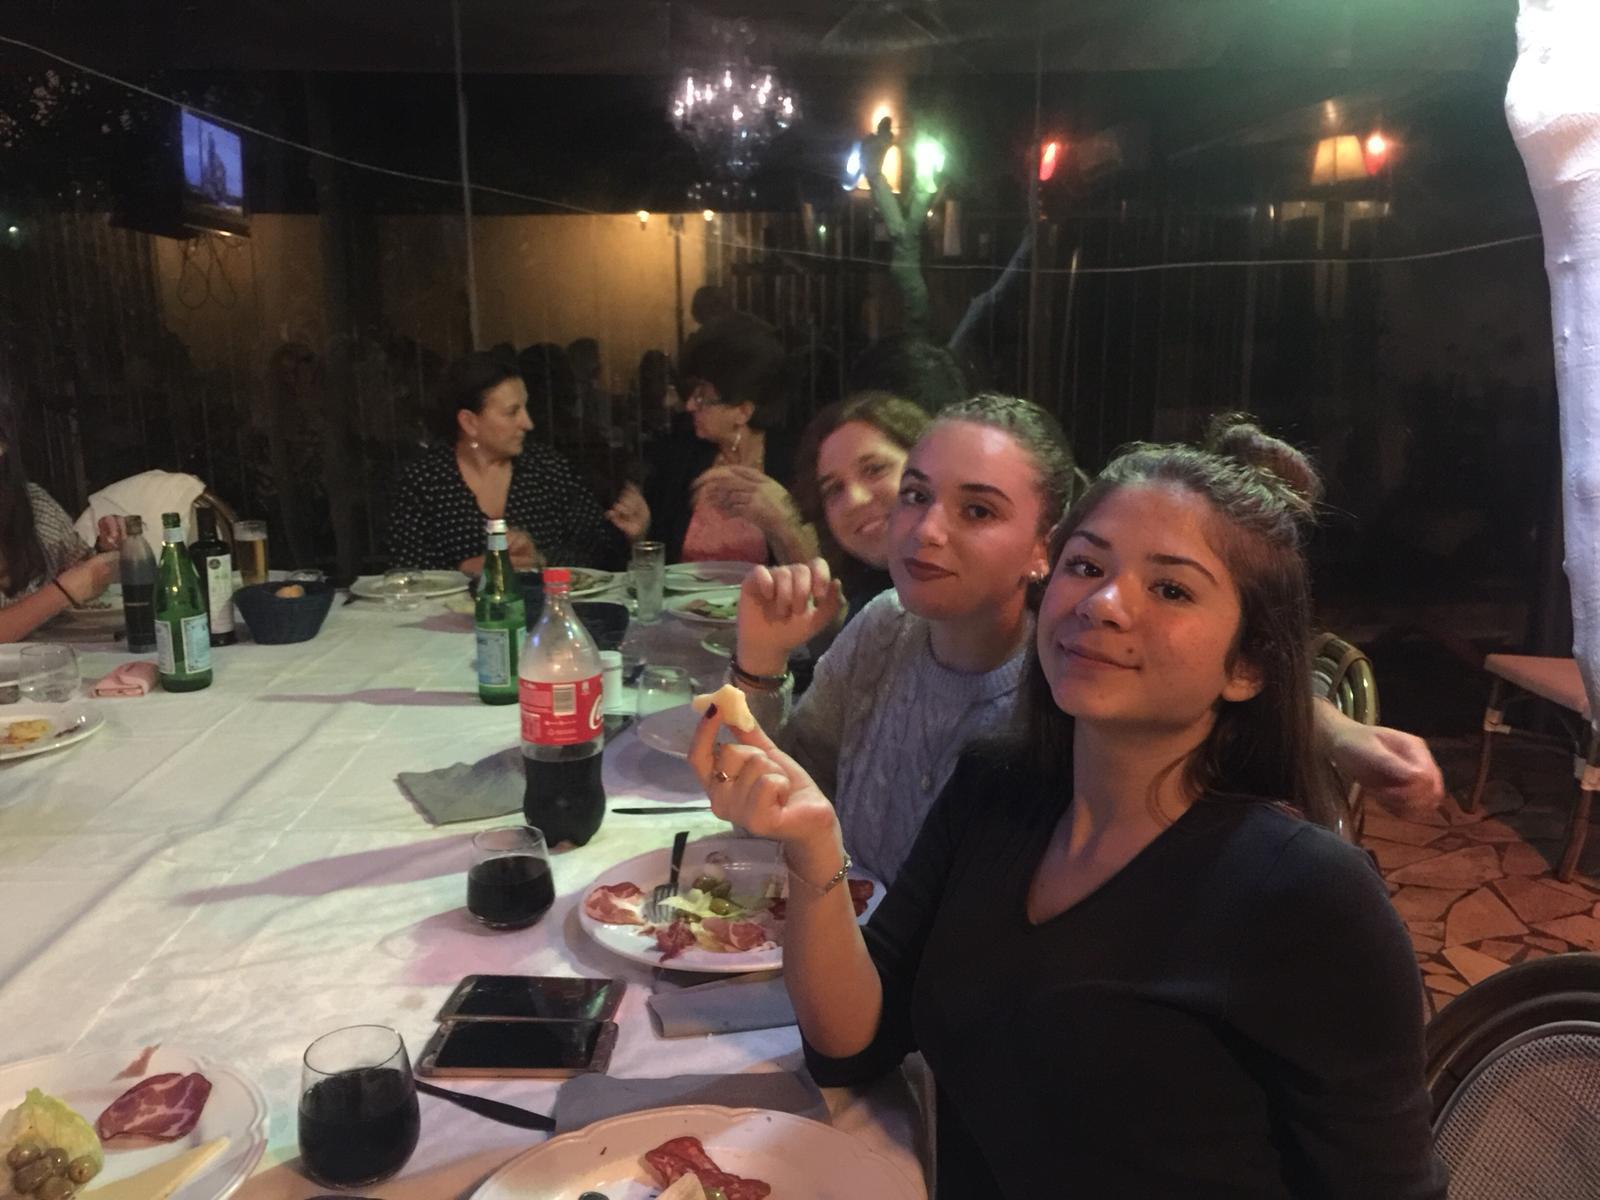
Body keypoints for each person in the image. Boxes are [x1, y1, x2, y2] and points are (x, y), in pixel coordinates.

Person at [692, 418, 1446, 1197]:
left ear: (1248, 666)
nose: (1106, 603)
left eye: (1171, 589)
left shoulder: (1308, 896)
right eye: (1087, 566)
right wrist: (814, 852)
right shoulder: (995, 789)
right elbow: (852, 1044)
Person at [724, 395, 1443, 885]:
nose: (925, 528)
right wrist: (758, 663)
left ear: (1047, 547)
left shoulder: (1076, 676)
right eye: (916, 495)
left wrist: (1331, 727)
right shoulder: (884, 626)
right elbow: (780, 795)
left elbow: (1204, 683)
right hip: (835, 965)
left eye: (977, 510)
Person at [387, 349, 648, 574]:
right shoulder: (425, 482)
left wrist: (541, 560)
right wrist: (466, 570)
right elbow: (407, 575)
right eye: (512, 412)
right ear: (469, 422)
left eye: (525, 408)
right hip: (452, 617)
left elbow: (598, 555)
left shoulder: (546, 468)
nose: (528, 423)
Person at [643, 319, 812, 565]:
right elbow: (662, 554)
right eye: (691, 394)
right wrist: (641, 532)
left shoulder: (795, 465)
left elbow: (817, 567)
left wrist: (782, 521)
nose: (689, 406)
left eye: (702, 398)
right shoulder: (681, 458)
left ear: (743, 411)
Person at [792, 391, 931, 622]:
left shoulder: (979, 604)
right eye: (834, 489)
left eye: (874, 469)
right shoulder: (868, 604)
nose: (854, 500)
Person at [0, 416, 121, 643]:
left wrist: (106, 548)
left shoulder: (34, 504)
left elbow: (85, 576)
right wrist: (63, 592)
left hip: (52, 655)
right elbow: (72, 586)